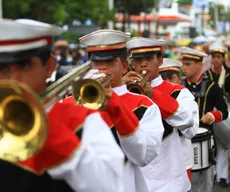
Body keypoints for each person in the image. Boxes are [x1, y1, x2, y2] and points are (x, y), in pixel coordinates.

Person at [0, 19, 125, 192]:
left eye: (24, 65)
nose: (14, 78)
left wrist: (51, 133)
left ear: (49, 67)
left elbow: (111, 187)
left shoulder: (83, 120)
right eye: (3, 68)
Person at [63, 29, 164, 192]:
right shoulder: (69, 104)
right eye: (96, 63)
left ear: (124, 67)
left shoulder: (143, 105)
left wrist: (117, 107)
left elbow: (143, 156)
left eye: (109, 63)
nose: (101, 69)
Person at [124, 37, 199, 192]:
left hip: (171, 181)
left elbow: (188, 121)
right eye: (137, 60)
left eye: (149, 58)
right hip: (137, 182)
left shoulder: (178, 92)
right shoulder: (122, 92)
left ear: (159, 60)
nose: (143, 64)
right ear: (132, 63)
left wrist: (153, 93)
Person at [181, 46, 229, 191]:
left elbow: (224, 112)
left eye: (188, 64)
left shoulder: (212, 87)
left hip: (206, 139)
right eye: (183, 64)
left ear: (199, 65)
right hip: (184, 140)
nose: (184, 68)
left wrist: (212, 115)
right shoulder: (179, 86)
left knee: (205, 183)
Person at [159, 58, 196, 182]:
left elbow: (191, 131)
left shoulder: (183, 95)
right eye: (164, 78)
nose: (167, 82)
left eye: (171, 78)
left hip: (181, 161)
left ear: (179, 79)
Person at [203, 42, 230, 187]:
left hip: (227, 111)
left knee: (225, 144)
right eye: (214, 57)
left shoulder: (229, 74)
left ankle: (223, 175)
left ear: (223, 58)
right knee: (213, 143)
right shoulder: (207, 75)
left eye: (219, 57)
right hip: (211, 112)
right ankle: (214, 174)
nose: (216, 60)